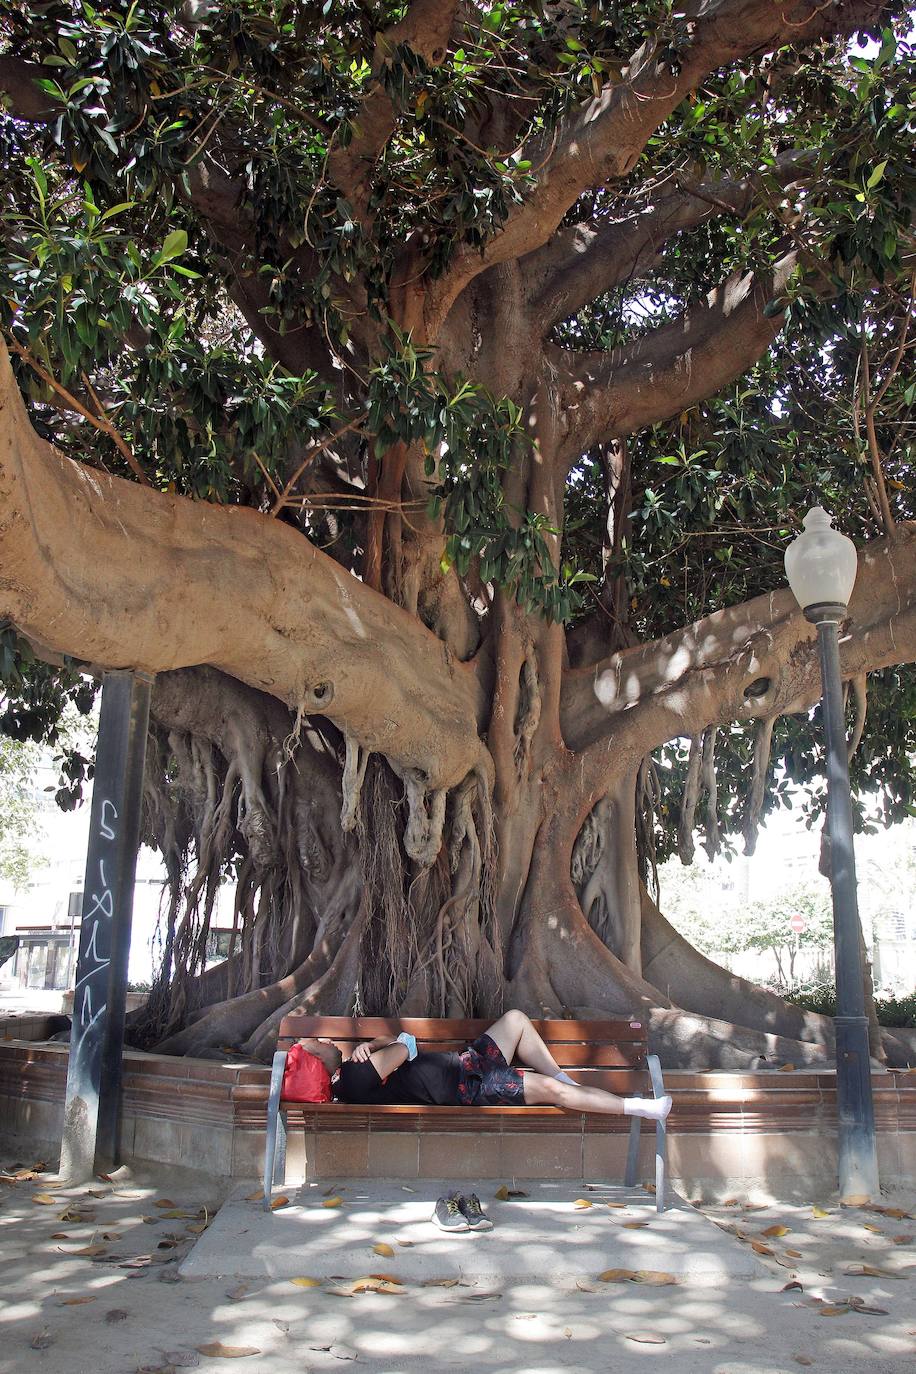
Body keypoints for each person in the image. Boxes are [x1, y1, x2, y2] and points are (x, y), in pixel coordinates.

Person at [298, 1009, 671, 1121]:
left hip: (467, 1063)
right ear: (316, 1063)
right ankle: (639, 1108)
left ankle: (565, 1079)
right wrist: (379, 1046)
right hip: (471, 1088)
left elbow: (401, 1044)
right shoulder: (351, 1076)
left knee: (516, 1020)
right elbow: (406, 1046)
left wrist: (372, 1045)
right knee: (549, 1091)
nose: (326, 1040)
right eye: (317, 1043)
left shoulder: (355, 1070)